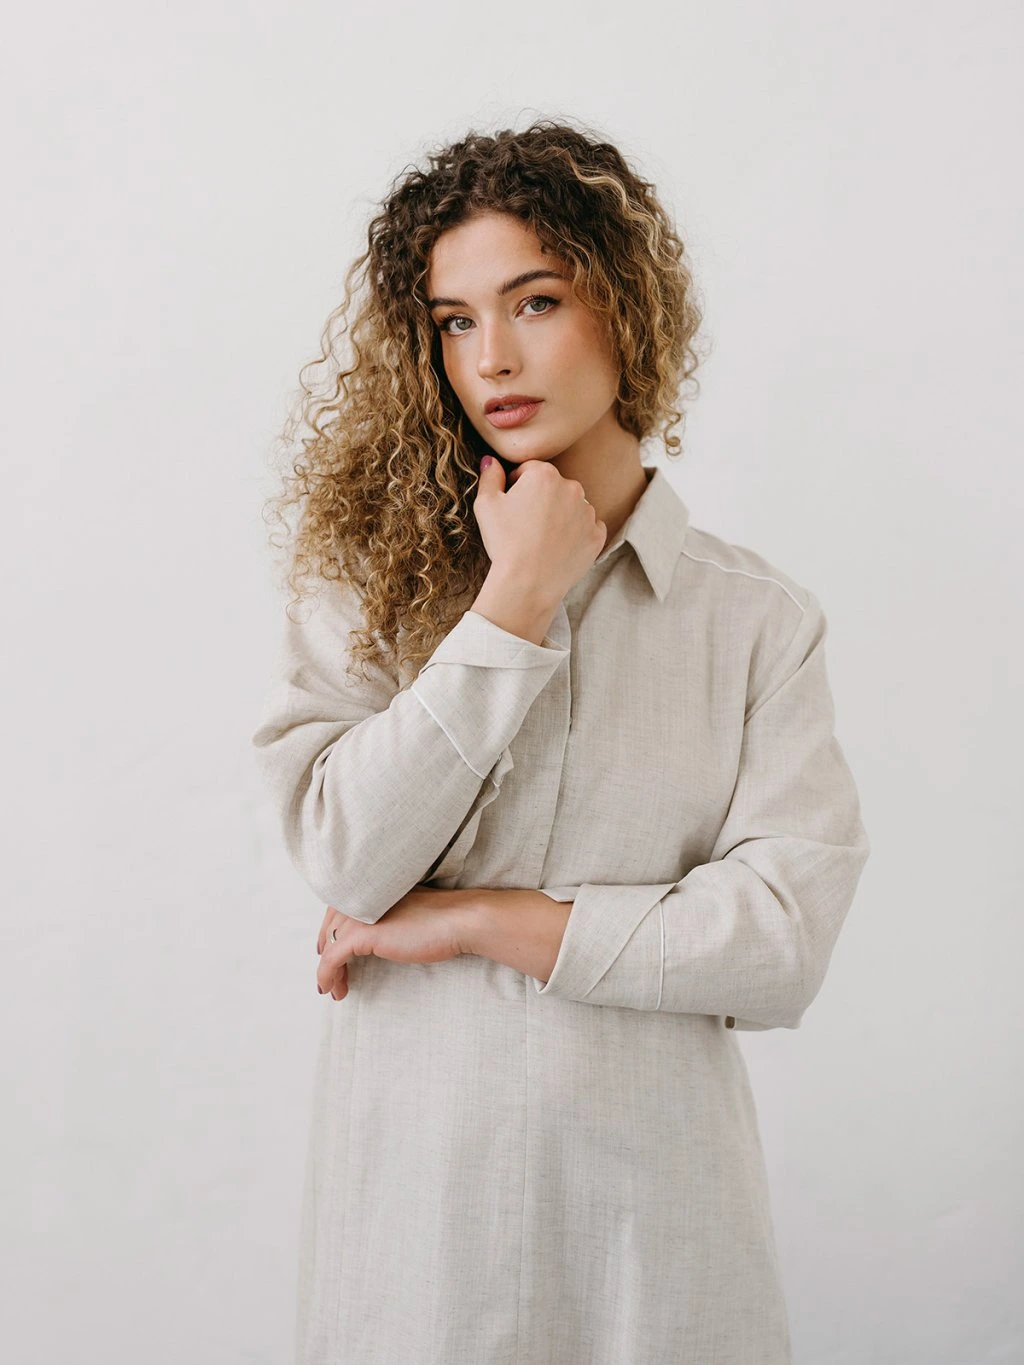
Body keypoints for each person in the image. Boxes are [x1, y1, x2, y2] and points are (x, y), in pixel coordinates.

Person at [251, 117, 870, 1365]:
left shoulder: (757, 620)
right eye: (454, 320)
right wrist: (511, 606)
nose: (491, 357)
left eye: (534, 301)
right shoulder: (368, 589)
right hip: (419, 1237)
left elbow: (777, 946)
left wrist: (481, 920)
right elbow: (349, 856)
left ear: (625, 308)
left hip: (661, 1230)